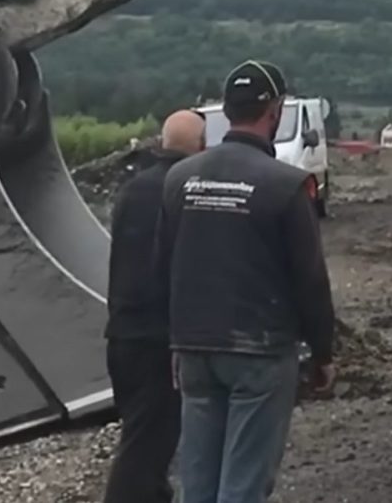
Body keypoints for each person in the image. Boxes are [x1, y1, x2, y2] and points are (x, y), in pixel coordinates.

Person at [156, 61, 336, 503]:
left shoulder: (179, 179)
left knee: (198, 479)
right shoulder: (288, 185)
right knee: (244, 483)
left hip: (194, 348)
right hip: (260, 349)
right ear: (273, 111)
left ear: (227, 112)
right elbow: (309, 277)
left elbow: (163, 267)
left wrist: (175, 340)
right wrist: (324, 351)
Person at [101, 108, 206, 503]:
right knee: (144, 454)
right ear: (201, 145)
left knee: (147, 444)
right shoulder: (184, 190)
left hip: (122, 336)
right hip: (157, 340)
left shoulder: (133, 188)